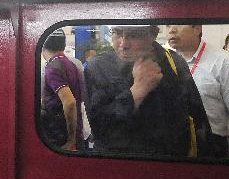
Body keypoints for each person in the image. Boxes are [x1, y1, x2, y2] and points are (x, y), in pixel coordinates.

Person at [83, 25, 211, 158]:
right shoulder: (98, 67)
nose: (123, 44)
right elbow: (100, 128)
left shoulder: (173, 63)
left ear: (153, 35)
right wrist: (136, 92)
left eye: (133, 35)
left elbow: (196, 119)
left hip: (169, 163)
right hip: (119, 163)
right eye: (117, 33)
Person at [167, 25, 229, 157]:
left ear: (197, 28)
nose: (171, 30)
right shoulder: (163, 58)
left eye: (178, 24)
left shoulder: (225, 62)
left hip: (210, 144)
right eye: (168, 25)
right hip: (170, 142)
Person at [40, 31, 83, 152]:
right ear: (64, 45)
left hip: (60, 136)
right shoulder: (71, 64)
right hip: (73, 131)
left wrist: (70, 140)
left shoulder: (53, 68)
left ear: (43, 45)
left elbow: (69, 102)